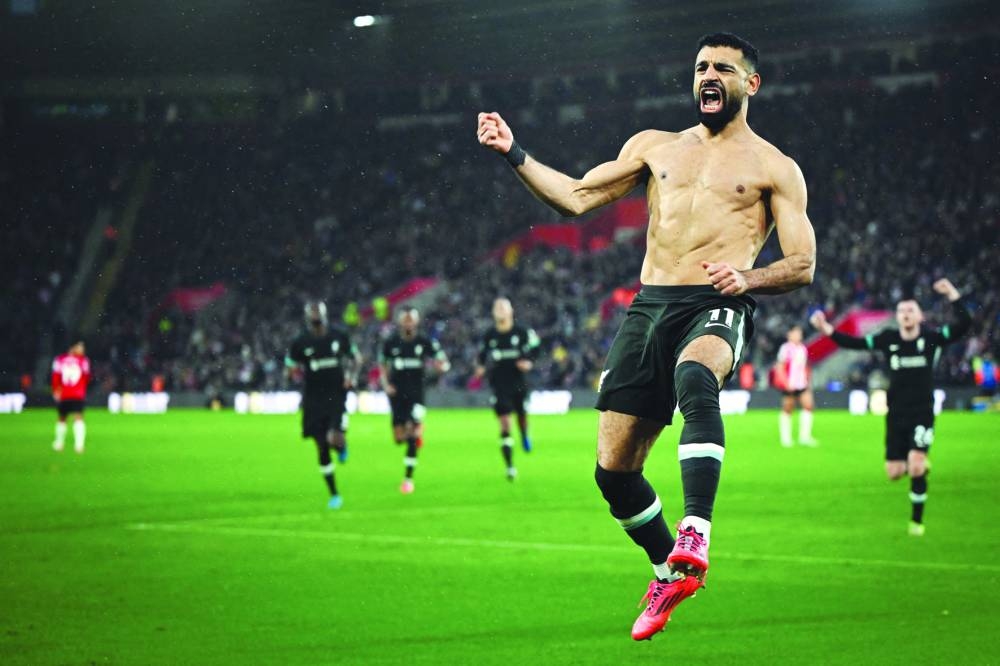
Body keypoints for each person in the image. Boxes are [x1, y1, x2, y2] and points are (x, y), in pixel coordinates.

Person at [477, 32, 816, 640]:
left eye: (723, 69)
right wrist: (513, 151)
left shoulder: (774, 167)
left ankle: (697, 529)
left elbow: (803, 264)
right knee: (614, 473)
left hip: (718, 299)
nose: (708, 75)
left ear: (751, 84)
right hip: (650, 305)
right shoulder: (653, 147)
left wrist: (749, 276)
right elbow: (576, 198)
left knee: (695, 377)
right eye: (701, 66)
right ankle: (668, 569)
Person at [810, 278, 972, 536]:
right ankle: (918, 461)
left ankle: (916, 522)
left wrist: (953, 293)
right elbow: (856, 344)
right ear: (897, 317)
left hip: (922, 412)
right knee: (895, 472)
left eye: (910, 310)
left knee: (916, 466)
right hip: (895, 414)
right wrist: (828, 330)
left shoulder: (931, 339)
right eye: (901, 311)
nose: (906, 314)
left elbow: (964, 325)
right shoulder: (888, 339)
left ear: (920, 316)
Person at [285, 301, 361, 510]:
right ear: (307, 315)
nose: (315, 315)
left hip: (337, 395)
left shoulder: (339, 335)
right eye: (312, 312)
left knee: (333, 438)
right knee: (321, 446)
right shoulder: (300, 342)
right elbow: (290, 365)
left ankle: (342, 445)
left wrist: (351, 377)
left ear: (325, 313)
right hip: (313, 399)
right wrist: (290, 374)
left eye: (318, 311)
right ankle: (334, 494)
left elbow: (356, 358)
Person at [379, 307, 451, 494]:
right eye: (406, 320)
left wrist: (442, 367)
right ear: (400, 322)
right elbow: (383, 367)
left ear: (416, 322)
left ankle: (408, 479)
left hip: (417, 394)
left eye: (412, 320)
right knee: (398, 438)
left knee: (412, 433)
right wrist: (386, 385)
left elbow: (442, 360)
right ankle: (415, 434)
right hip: (397, 394)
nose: (409, 323)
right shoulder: (391, 343)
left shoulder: (425, 341)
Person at [474, 298, 540, 480]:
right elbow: (481, 355)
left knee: (521, 416)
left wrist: (529, 362)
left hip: (519, 381)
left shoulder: (523, 331)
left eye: (504, 307)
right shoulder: (490, 335)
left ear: (511, 311)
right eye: (497, 308)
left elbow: (537, 348)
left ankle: (525, 432)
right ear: (493, 313)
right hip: (499, 383)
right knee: (504, 422)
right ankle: (510, 466)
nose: (501, 310)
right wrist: (479, 367)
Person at [774, 325, 818, 447]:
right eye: (796, 332)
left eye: (800, 332)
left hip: (802, 383)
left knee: (808, 406)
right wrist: (786, 383)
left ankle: (805, 436)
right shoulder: (785, 348)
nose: (799, 335)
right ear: (790, 334)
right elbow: (780, 367)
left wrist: (807, 381)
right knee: (788, 408)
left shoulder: (802, 348)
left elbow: (804, 367)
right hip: (790, 384)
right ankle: (786, 438)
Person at [51, 339, 91, 454]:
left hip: (64, 394)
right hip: (78, 394)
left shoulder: (59, 360)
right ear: (72, 348)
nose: (82, 349)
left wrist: (56, 391)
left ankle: (59, 443)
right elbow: (87, 377)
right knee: (78, 417)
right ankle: (79, 446)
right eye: (80, 347)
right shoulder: (83, 361)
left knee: (62, 418)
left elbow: (55, 377)